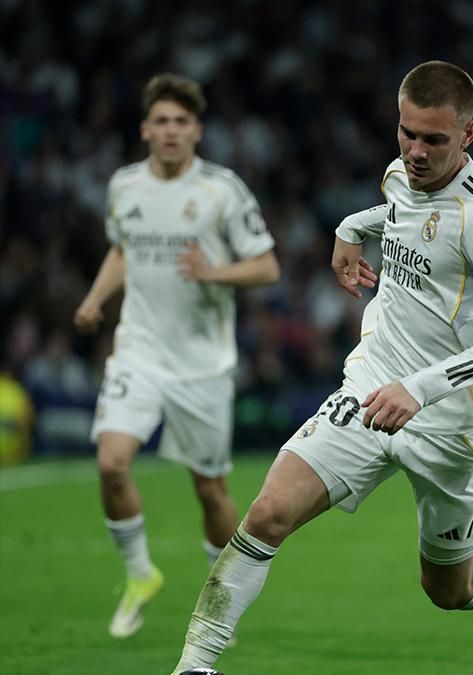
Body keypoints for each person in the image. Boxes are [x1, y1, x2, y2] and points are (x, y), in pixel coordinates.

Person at [170, 61, 473, 674]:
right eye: (407, 133)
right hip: (371, 385)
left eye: (434, 140)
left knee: (448, 588)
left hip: (451, 419)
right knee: (268, 513)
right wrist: (352, 228)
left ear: (469, 134)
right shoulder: (399, 175)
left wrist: (422, 389)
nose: (416, 152)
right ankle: (194, 666)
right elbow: (402, 214)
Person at [73, 73, 280, 640]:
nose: (170, 130)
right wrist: (95, 300)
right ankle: (141, 575)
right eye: (161, 121)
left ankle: (221, 600)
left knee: (209, 490)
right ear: (145, 129)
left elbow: (266, 266)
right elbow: (123, 248)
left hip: (203, 366)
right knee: (112, 462)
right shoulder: (124, 186)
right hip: (137, 351)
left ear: (197, 131)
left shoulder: (222, 190)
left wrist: (215, 271)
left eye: (181, 122)